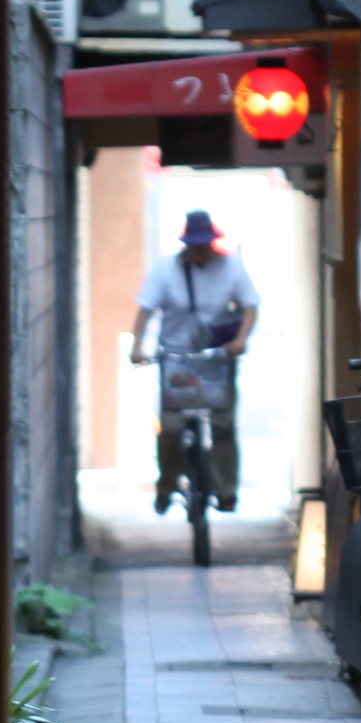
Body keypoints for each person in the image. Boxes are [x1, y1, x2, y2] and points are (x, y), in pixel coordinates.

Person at [131, 207, 260, 514]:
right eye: (195, 245)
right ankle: (167, 485)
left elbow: (251, 306)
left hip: (216, 358)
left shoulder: (231, 268)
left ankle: (227, 489)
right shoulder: (165, 270)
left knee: (223, 423)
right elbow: (145, 310)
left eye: (205, 245)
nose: (200, 251)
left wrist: (240, 340)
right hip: (177, 359)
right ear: (186, 244)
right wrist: (138, 346)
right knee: (171, 428)